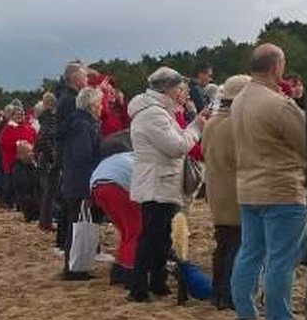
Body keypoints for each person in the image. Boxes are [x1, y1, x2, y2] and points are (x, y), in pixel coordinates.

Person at [231, 44, 306, 320]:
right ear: (276, 67)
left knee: (250, 252)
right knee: (281, 260)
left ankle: (245, 312)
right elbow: (305, 142)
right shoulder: (277, 104)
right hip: (281, 188)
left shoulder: (238, 100)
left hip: (248, 188)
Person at [128, 67, 207, 302]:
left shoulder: (158, 111)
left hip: (161, 180)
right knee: (151, 236)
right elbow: (175, 146)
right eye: (179, 87)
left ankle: (157, 282)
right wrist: (195, 129)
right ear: (167, 89)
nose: (182, 91)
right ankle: (139, 288)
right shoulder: (154, 114)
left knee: (162, 236)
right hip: (157, 182)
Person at [202, 75, 251, 310]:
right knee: (236, 246)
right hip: (235, 191)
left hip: (217, 191)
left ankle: (217, 293)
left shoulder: (212, 122)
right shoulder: (235, 125)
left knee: (222, 245)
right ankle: (230, 296)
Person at [57, 87, 103, 279]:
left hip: (72, 180)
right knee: (77, 226)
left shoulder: (77, 123)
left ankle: (75, 266)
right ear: (92, 105)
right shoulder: (83, 126)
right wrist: (89, 187)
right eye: (99, 103)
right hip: (80, 183)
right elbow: (83, 156)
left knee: (76, 225)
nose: (101, 107)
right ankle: (74, 269)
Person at [91, 150, 139, 288]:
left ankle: (118, 271)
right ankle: (129, 273)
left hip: (97, 185)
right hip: (116, 185)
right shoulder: (145, 160)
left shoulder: (124, 156)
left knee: (125, 231)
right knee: (136, 231)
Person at [0, 106, 36, 209]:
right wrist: (17, 144)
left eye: (21, 114)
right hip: (12, 160)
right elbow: (3, 143)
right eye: (17, 114)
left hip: (27, 160)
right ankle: (8, 203)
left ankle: (22, 205)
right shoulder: (7, 129)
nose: (20, 116)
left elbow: (34, 139)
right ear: (12, 116)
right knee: (11, 183)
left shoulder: (28, 128)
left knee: (25, 184)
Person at [34, 92, 57, 232]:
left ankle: (45, 222)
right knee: (49, 193)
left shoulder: (44, 119)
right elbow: (44, 140)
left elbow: (41, 140)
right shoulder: (50, 119)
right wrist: (53, 156)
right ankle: (46, 223)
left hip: (44, 158)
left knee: (47, 193)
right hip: (48, 160)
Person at [11, 141, 41, 222]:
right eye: (29, 152)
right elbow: (25, 186)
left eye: (32, 151)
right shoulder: (18, 169)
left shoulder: (32, 166)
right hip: (29, 203)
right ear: (20, 155)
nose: (32, 154)